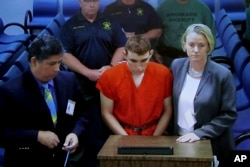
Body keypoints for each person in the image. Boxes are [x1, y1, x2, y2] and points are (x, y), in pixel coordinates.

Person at [0, 35, 89, 167]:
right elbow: (3, 134)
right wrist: (37, 135)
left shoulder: (69, 80)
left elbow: (83, 113)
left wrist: (75, 133)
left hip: (63, 158)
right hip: (28, 159)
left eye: (59, 63)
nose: (57, 69)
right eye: (52, 64)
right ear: (34, 61)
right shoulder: (11, 91)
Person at [59, 0, 127, 166]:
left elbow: (122, 46)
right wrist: (87, 72)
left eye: (95, 1)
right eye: (88, 1)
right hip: (82, 85)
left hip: (109, 82)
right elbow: (64, 55)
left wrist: (110, 67)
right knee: (91, 128)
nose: (92, 5)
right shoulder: (70, 25)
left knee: (109, 124)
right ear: (80, 2)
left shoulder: (109, 21)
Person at [170, 24, 237, 167]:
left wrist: (199, 133)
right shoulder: (176, 66)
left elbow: (228, 115)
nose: (195, 50)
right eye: (191, 44)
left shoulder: (223, 75)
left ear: (209, 47)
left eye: (201, 45)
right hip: (179, 140)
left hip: (210, 143)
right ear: (184, 45)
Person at [96, 35, 173, 136]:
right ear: (125, 55)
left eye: (144, 60)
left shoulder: (163, 74)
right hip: (121, 131)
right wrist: (125, 138)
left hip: (155, 131)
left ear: (151, 54)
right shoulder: (109, 76)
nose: (139, 67)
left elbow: (168, 110)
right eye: (133, 61)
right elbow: (106, 113)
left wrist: (156, 137)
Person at [156, 0, 216, 67]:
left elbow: (211, 35)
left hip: (196, 57)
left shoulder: (202, 8)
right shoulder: (162, 8)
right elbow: (154, 32)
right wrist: (155, 53)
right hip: (168, 58)